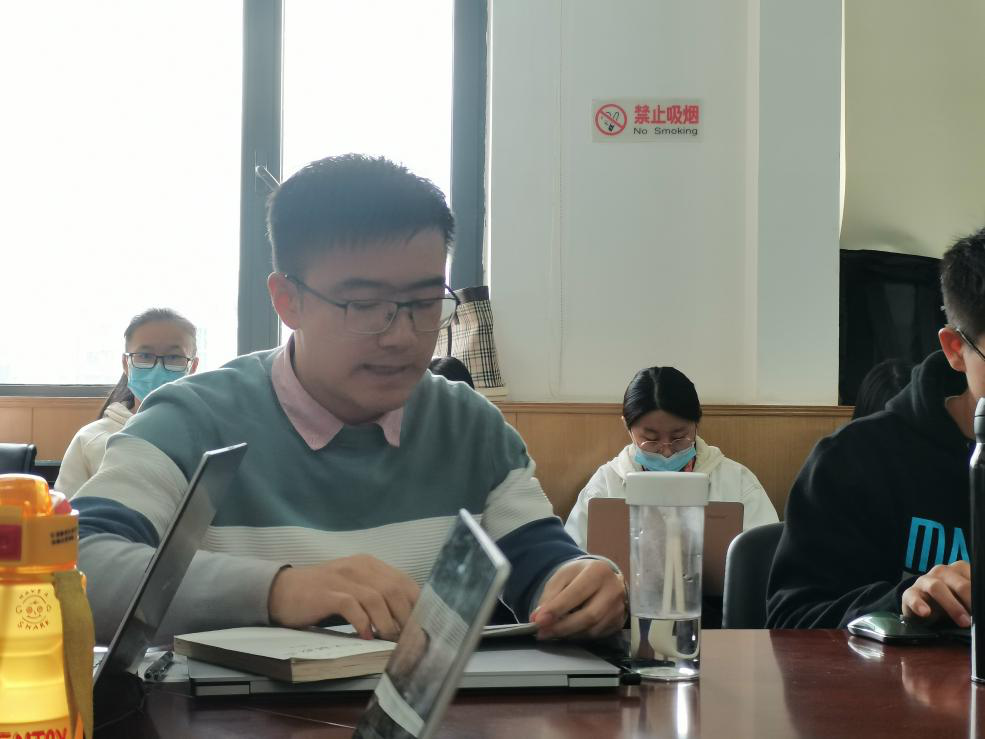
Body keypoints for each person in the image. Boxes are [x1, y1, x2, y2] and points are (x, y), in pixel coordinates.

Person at [73, 154, 626, 644]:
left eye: (424, 303)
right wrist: (279, 590)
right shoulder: (191, 420)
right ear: (287, 300)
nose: (401, 335)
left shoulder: (469, 428)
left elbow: (541, 561)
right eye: (363, 305)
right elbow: (72, 570)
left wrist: (577, 585)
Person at [767, 226, 985, 628]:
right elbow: (791, 620)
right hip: (899, 670)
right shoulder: (854, 461)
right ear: (956, 349)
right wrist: (900, 602)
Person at [564, 366, 778, 549]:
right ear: (628, 428)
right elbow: (574, 556)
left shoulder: (737, 482)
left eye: (679, 437)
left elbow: (766, 555)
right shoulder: (605, 486)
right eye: (650, 439)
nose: (666, 451)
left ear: (696, 424)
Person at [55, 308, 199, 497]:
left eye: (174, 357)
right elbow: (66, 510)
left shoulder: (204, 435)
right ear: (126, 364)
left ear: (193, 366)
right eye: (145, 356)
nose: (157, 368)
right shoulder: (90, 439)